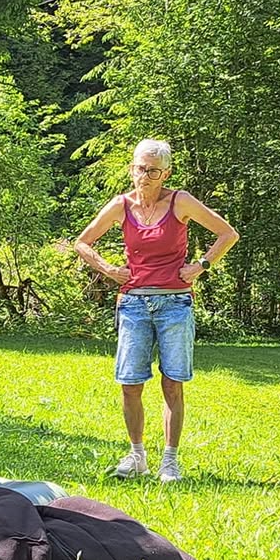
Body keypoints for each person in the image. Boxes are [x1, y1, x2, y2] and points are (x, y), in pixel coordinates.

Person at [74, 139, 239, 482]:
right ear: (131, 168)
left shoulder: (180, 202)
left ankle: (170, 461)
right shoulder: (121, 206)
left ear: (166, 173)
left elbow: (227, 234)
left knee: (172, 383)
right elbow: (82, 242)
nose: (144, 176)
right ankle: (137, 456)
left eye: (152, 171)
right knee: (130, 384)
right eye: (139, 168)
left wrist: (201, 265)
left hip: (175, 304)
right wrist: (107, 269)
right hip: (133, 303)